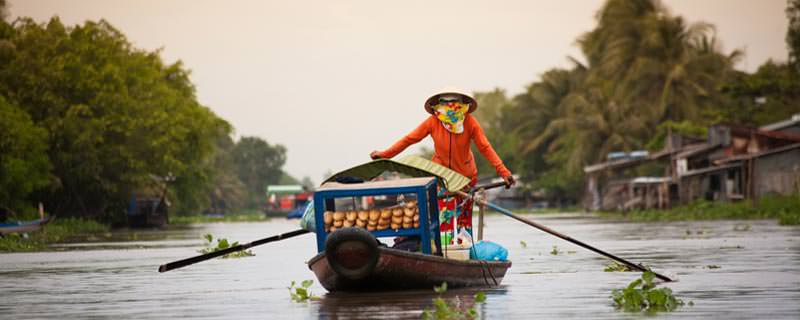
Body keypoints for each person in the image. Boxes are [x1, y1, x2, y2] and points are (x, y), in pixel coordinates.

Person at [370, 87, 515, 243]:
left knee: (464, 221)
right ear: (437, 105)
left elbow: (485, 148)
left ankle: (464, 250)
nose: (449, 106)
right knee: (443, 216)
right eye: (444, 102)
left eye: (453, 102)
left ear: (462, 104)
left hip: (466, 178)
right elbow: (409, 139)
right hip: (442, 177)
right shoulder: (433, 122)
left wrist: (504, 173)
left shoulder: (470, 122)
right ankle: (443, 250)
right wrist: (385, 154)